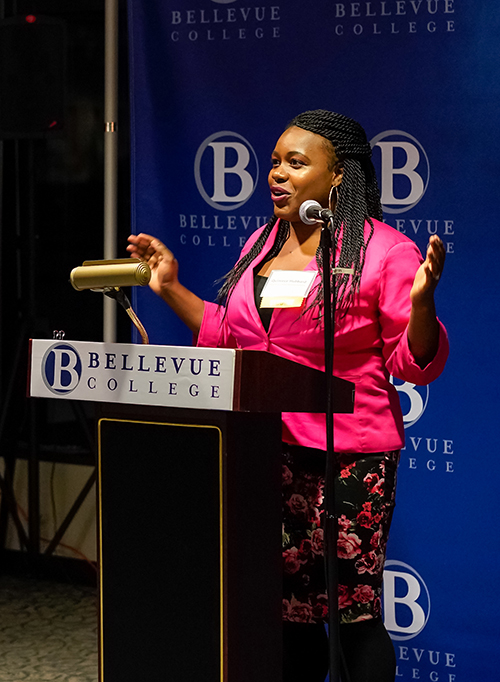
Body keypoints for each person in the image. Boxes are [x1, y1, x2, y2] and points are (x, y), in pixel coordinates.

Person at [127, 109, 448, 682]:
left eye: (296, 163)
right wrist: (170, 286)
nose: (276, 173)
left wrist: (422, 305)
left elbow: (413, 363)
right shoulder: (261, 242)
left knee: (350, 615)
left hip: (346, 460)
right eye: (274, 161)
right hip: (262, 452)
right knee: (285, 617)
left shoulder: (383, 252)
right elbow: (233, 335)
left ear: (339, 177)